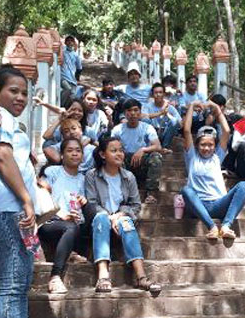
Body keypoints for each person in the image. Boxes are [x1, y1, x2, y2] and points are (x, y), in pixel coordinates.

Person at [0, 64, 60, 318]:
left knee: (18, 286)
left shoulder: (10, 122)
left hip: (14, 211)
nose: (19, 97)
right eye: (12, 90)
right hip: (6, 211)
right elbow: (2, 157)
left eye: (24, 93)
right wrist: (27, 200)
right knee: (12, 287)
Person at [85, 135, 161, 294]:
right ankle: (103, 274)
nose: (119, 154)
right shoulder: (92, 175)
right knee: (100, 218)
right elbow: (91, 204)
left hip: (120, 222)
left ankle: (141, 276)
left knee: (126, 221)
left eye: (121, 150)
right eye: (113, 151)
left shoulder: (128, 177)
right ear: (102, 154)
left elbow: (135, 206)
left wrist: (118, 215)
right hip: (100, 223)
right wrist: (107, 216)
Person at [181, 100, 245, 239]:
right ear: (197, 145)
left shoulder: (217, 156)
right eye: (203, 144)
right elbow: (186, 130)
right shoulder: (192, 157)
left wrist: (215, 107)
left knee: (244, 185)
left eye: (210, 145)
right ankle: (212, 227)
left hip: (219, 204)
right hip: (199, 206)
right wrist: (191, 106)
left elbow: (226, 130)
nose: (207, 148)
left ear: (215, 146)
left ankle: (226, 226)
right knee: (186, 190)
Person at [38, 138, 87, 294]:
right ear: (62, 154)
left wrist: (83, 202)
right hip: (49, 221)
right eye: (70, 150)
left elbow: (81, 206)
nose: (74, 154)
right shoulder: (53, 172)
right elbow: (41, 190)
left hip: (73, 225)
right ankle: (55, 276)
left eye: (78, 150)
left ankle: (69, 252)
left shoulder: (83, 179)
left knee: (75, 227)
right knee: (70, 227)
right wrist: (60, 213)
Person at [111, 98, 163, 204]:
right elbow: (111, 148)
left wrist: (143, 149)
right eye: (129, 110)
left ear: (140, 112)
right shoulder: (117, 129)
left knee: (156, 157)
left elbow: (158, 146)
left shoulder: (147, 128)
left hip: (142, 162)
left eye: (136, 110)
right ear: (125, 113)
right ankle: (124, 193)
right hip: (125, 163)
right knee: (116, 157)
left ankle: (151, 193)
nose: (133, 113)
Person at [142, 82, 182, 153]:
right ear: (152, 94)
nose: (158, 95)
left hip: (165, 133)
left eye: (160, 92)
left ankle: (164, 147)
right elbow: (143, 116)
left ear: (164, 94)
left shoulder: (170, 107)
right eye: (156, 92)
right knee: (145, 120)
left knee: (174, 121)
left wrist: (169, 115)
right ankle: (150, 145)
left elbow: (180, 123)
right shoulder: (147, 106)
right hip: (152, 133)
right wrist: (160, 113)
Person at [61, 35, 82, 104]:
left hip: (72, 79)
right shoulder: (62, 53)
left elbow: (79, 68)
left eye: (71, 41)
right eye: (68, 41)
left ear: (73, 43)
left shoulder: (75, 55)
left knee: (72, 96)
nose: (69, 42)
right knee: (68, 89)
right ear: (65, 42)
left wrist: (77, 79)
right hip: (63, 77)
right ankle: (61, 105)